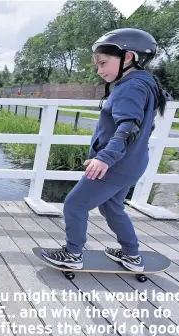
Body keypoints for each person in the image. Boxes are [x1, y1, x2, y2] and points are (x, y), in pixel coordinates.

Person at [41, 28, 171, 273]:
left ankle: (72, 253)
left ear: (129, 57)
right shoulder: (145, 84)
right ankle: (131, 254)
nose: (99, 71)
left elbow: (128, 127)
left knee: (74, 205)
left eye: (103, 63)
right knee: (111, 207)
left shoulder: (131, 87)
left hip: (115, 165)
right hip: (131, 163)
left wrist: (104, 158)